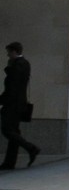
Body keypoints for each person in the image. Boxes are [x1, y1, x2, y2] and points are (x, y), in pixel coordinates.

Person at [0, 42, 40, 170]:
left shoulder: (18, 65)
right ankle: (10, 162)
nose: (7, 55)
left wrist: (9, 68)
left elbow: (13, 87)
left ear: (14, 51)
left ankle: (31, 148)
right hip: (18, 103)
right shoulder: (24, 63)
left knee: (7, 130)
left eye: (9, 52)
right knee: (14, 132)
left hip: (13, 104)